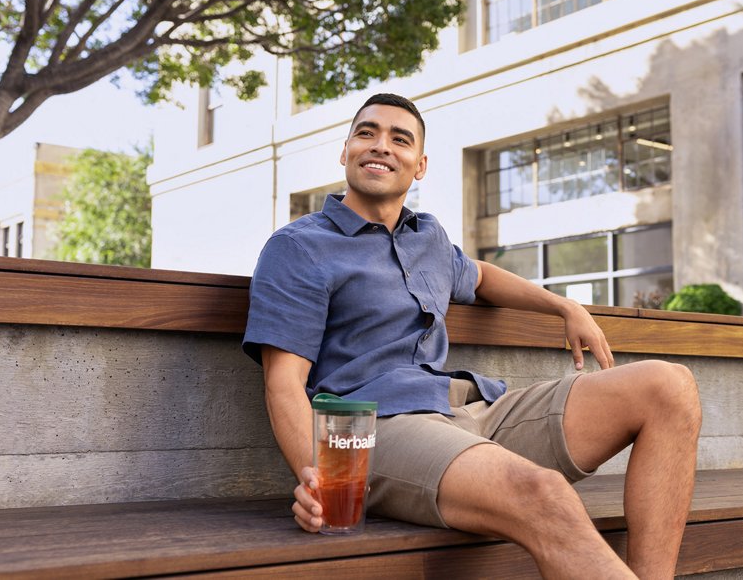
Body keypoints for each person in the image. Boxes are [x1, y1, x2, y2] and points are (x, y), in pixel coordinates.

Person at [243, 93, 702, 579]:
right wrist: (314, 479)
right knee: (544, 495)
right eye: (366, 133)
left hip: (471, 411)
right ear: (346, 151)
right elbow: (283, 383)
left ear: (419, 166)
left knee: (669, 386)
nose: (380, 146)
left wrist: (564, 305)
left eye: (399, 140)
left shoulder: (429, 239)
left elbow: (479, 275)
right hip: (380, 430)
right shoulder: (298, 247)